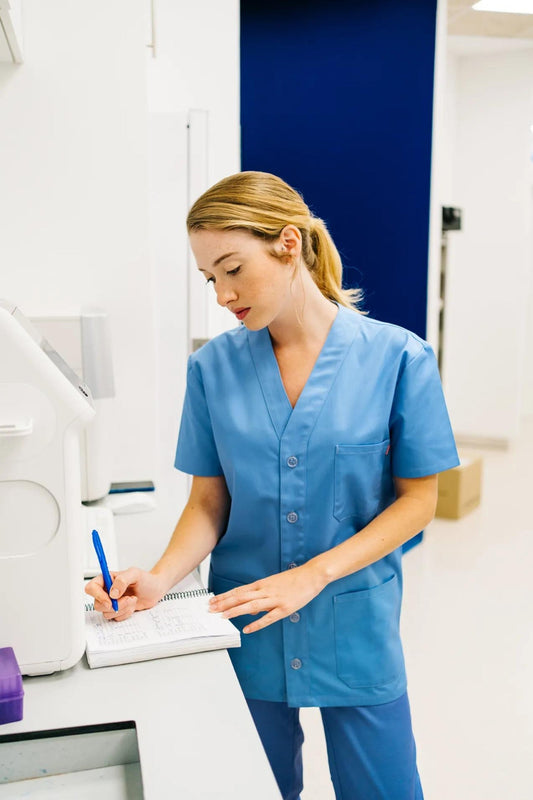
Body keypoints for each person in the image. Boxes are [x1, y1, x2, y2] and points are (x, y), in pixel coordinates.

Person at [86, 171, 459, 800]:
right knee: (256, 786)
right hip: (246, 622)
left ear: (288, 243)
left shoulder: (400, 360)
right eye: (210, 278)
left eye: (232, 269)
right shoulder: (211, 369)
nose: (222, 294)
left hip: (354, 621)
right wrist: (157, 579)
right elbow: (209, 502)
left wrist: (314, 573)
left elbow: (419, 501)